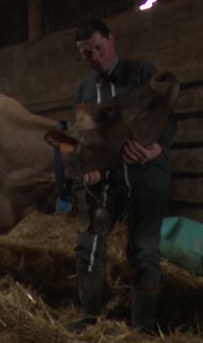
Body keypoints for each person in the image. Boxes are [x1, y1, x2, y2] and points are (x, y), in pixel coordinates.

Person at [67, 20, 177, 333]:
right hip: (107, 186)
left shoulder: (143, 74)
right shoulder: (84, 90)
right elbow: (86, 140)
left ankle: (142, 326)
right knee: (88, 245)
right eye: (86, 54)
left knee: (143, 251)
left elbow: (169, 122)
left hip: (147, 178)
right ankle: (90, 315)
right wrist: (88, 168)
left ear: (111, 41)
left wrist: (156, 148)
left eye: (98, 49)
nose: (94, 57)